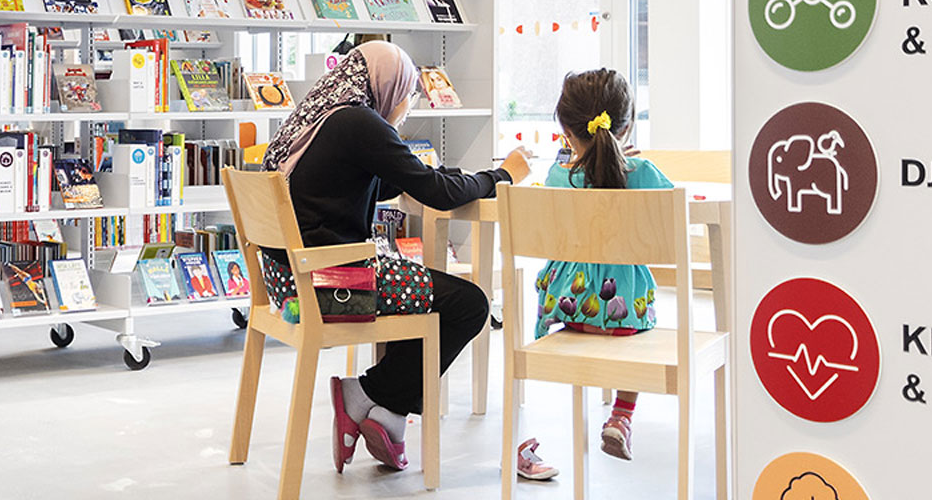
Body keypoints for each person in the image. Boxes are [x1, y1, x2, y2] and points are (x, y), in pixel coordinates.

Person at [259, 41, 529, 474]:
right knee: (469, 304)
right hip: (332, 285)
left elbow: (377, 182)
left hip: (289, 281)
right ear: (388, 84)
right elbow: (437, 195)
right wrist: (501, 176)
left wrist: (438, 176)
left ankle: (388, 412)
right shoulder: (360, 122)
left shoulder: (323, 115)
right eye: (410, 91)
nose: (409, 102)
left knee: (422, 287)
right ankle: (367, 397)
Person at [513, 68, 673, 483]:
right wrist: (627, 162)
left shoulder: (556, 178)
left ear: (565, 129)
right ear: (628, 125)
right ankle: (621, 414)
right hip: (627, 318)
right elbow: (675, 219)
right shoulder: (647, 176)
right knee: (635, 305)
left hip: (570, 312)